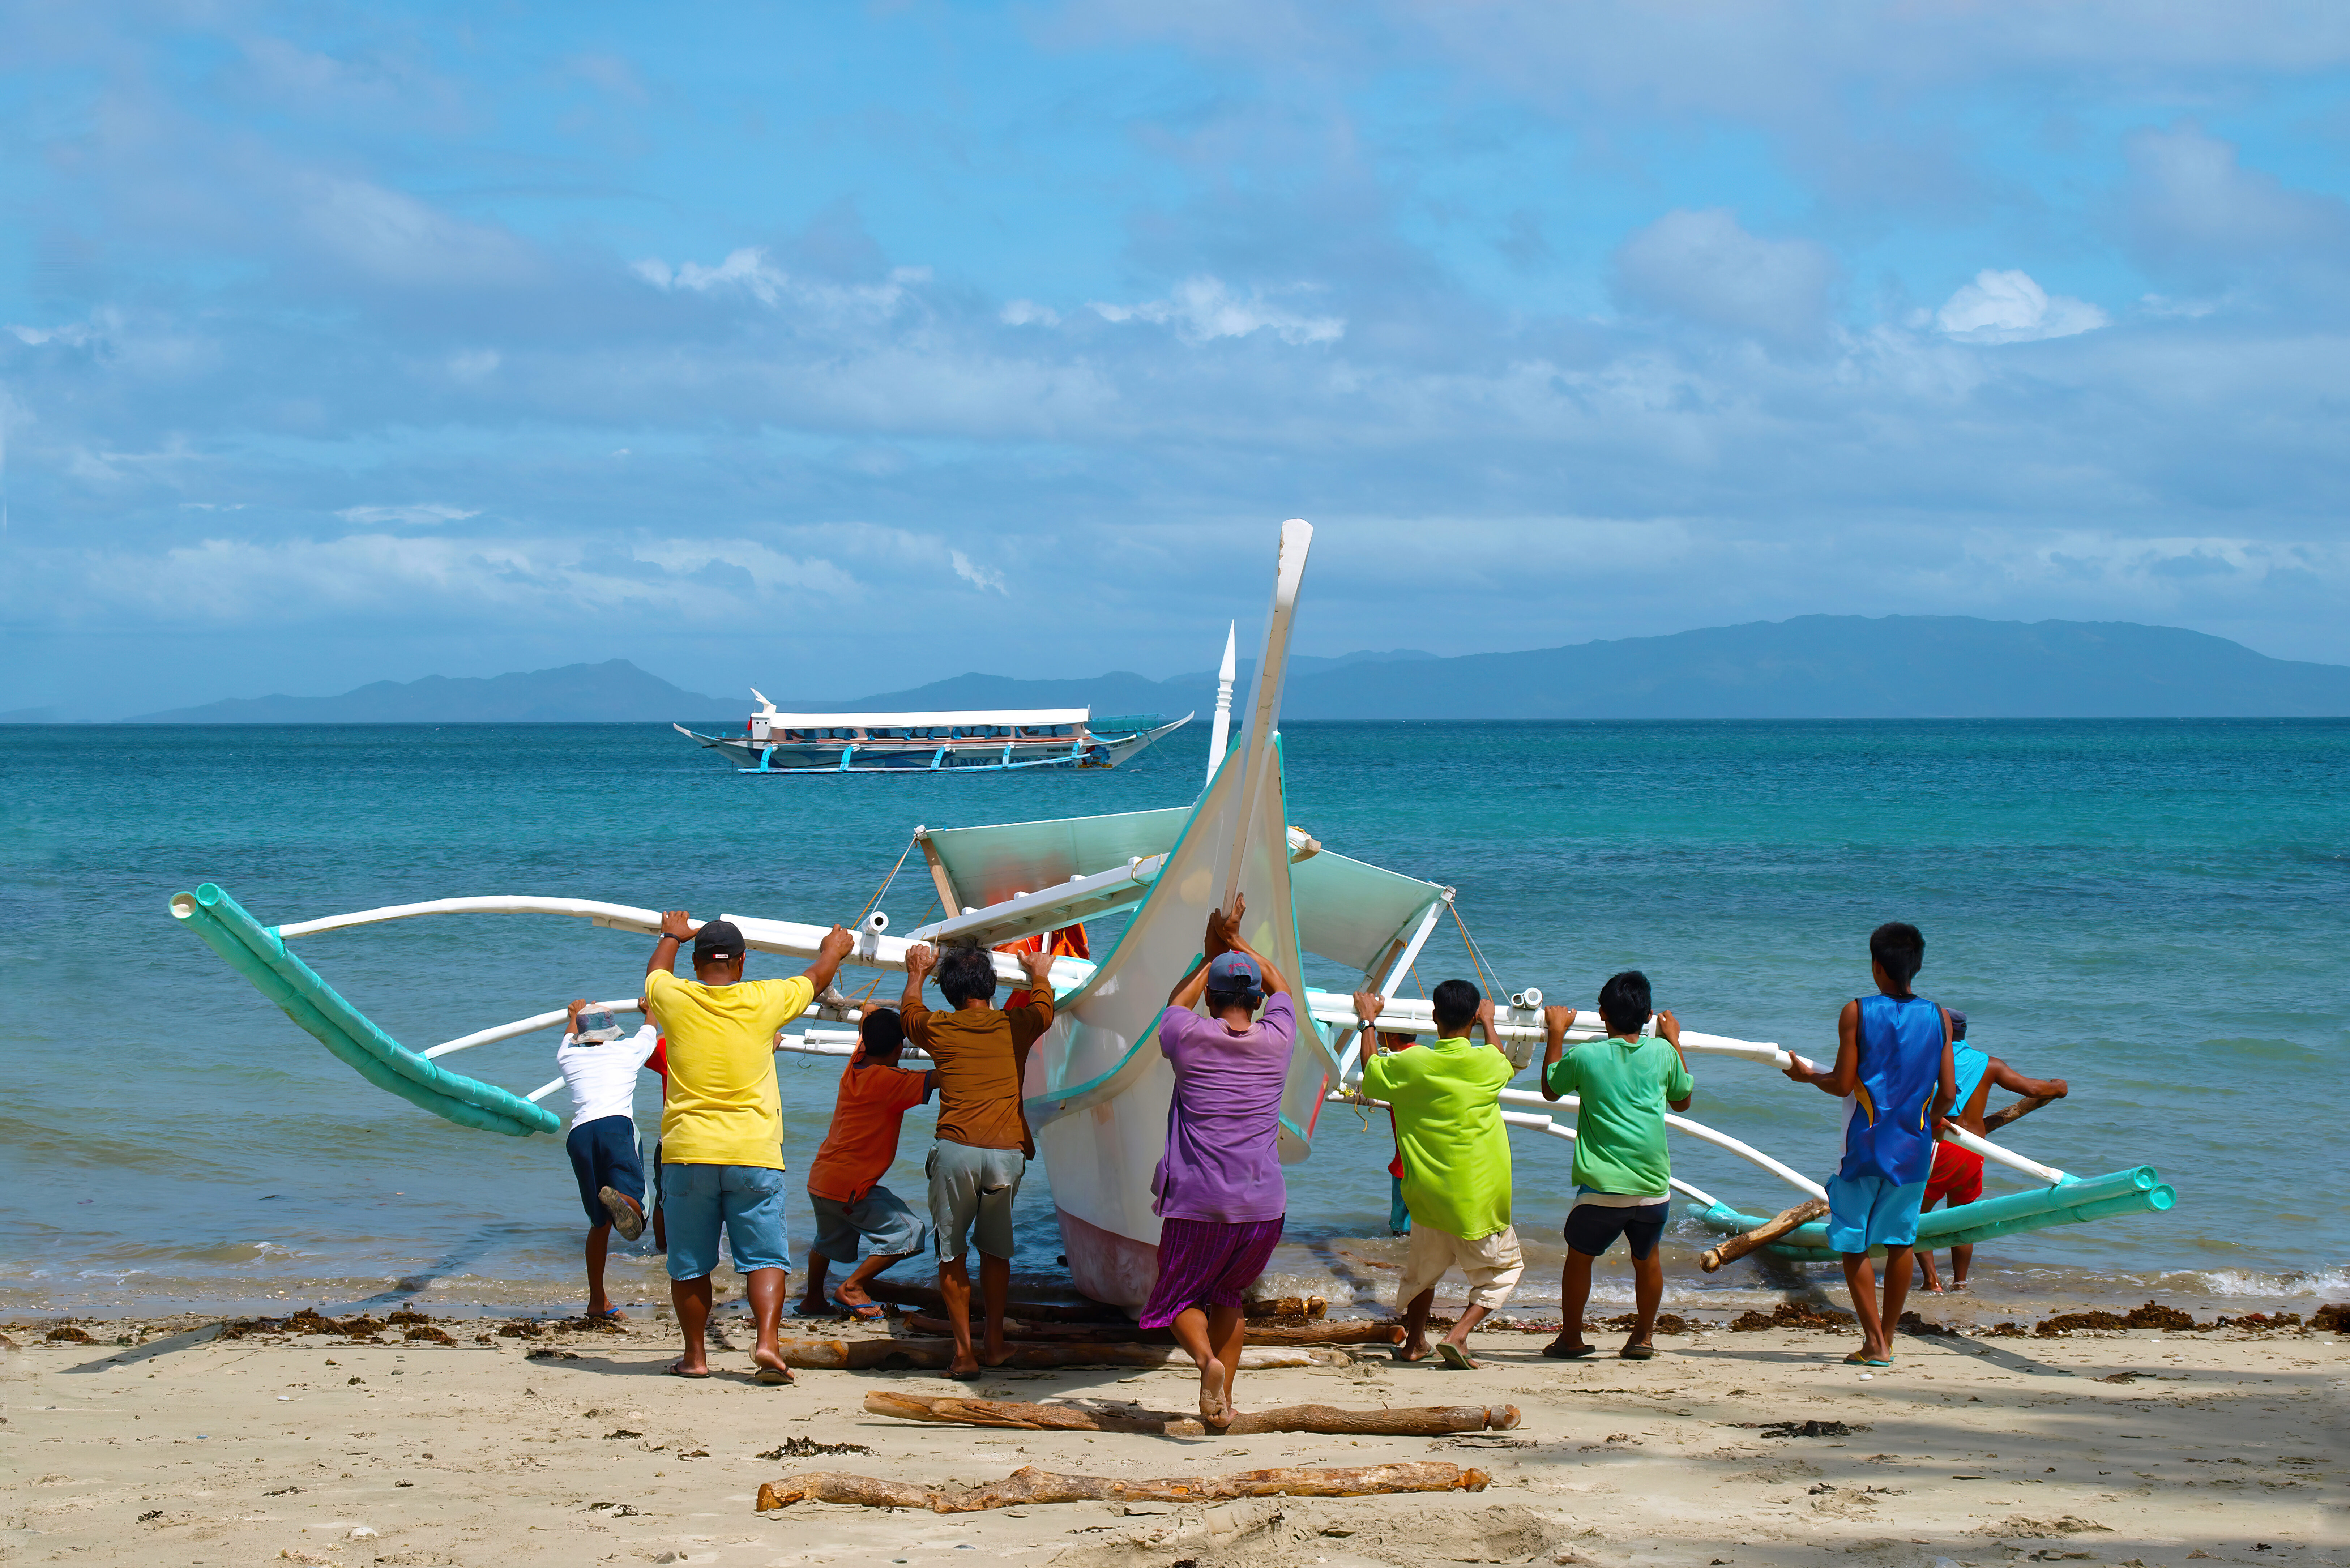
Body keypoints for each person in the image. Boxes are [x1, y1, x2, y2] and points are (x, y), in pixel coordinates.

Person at [642, 909, 854, 1384]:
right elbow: (816, 978)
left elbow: (655, 972)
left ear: (696, 964)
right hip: (753, 1153)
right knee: (765, 1257)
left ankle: (695, 1358)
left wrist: (671, 935)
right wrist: (834, 949)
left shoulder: (674, 997)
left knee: (690, 1263)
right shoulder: (765, 999)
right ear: (741, 963)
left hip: (689, 1152)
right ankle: (767, 1343)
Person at [1143, 898, 1297, 1426]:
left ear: (1209, 996)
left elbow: (1174, 1003)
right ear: (1257, 999)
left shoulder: (1188, 1036)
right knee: (1230, 1296)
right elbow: (1280, 981)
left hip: (1199, 1201)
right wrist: (1235, 942)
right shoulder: (1278, 1039)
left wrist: (1211, 957)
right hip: (1264, 1207)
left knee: (1175, 1298)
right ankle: (1222, 1404)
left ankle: (1205, 1361)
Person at [1782, 921, 1958, 1368]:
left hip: (1863, 1145)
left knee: (1852, 1241)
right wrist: (1932, 1121)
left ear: (1876, 965)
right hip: (1913, 1146)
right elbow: (1947, 1092)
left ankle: (1873, 1341)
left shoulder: (1856, 1011)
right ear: (1916, 966)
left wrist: (1807, 1077)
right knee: (1900, 1242)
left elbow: (1842, 1083)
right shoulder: (1938, 1016)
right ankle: (1888, 1337)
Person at [898, 938, 1059, 1380]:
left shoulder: (938, 1026)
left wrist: (916, 971)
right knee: (995, 1252)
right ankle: (994, 1343)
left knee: (951, 1254)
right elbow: (1044, 1007)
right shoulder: (1016, 1024)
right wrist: (1039, 972)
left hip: (956, 1151)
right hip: (1006, 1152)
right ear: (991, 985)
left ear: (950, 992)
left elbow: (909, 1012)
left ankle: (964, 1354)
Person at [1356, 979, 1521, 1369]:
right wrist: (1490, 1022)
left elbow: (1371, 1069)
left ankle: (1415, 1342)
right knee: (1503, 1271)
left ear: (1434, 1017)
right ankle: (1457, 1335)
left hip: (1427, 1194)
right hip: (1477, 1198)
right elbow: (1501, 1058)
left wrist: (1368, 1021)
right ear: (1473, 1018)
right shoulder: (1487, 1063)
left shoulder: (1413, 1063)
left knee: (1422, 1275)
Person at [1535, 972, 1695, 1361]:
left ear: (1602, 1014)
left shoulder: (1587, 1055)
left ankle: (1572, 1337)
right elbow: (1682, 1099)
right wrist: (1673, 1039)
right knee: (1648, 1258)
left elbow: (1551, 1088)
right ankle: (1643, 1336)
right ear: (1649, 1016)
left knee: (1580, 1257)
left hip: (1602, 1187)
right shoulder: (1663, 1053)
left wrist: (1557, 1031)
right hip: (1653, 1186)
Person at [797, 1006, 936, 1320]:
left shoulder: (856, 1064)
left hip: (822, 1180)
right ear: (898, 1048)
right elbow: (942, 1077)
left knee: (826, 1241)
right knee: (911, 1233)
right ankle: (853, 1286)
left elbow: (868, 1019)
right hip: (851, 1188)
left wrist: (870, 1015)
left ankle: (813, 1300)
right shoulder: (889, 1080)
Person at [1915, 1011, 2068, 1293]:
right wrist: (2058, 1088)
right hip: (1974, 1151)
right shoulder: (1989, 1064)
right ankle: (1960, 1283)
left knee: (1915, 1215)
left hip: (1941, 1146)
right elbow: (2034, 1089)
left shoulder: (1928, 1060)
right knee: (1962, 1217)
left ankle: (1932, 1281)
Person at [555, 999, 663, 1321]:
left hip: (580, 1136)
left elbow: (568, 1035)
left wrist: (574, 1015)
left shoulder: (568, 1056)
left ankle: (596, 1302)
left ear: (581, 1035)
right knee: (639, 1209)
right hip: (615, 1127)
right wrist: (650, 1008)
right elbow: (651, 1028)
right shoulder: (627, 1051)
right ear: (612, 1031)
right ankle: (624, 1201)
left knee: (599, 1223)